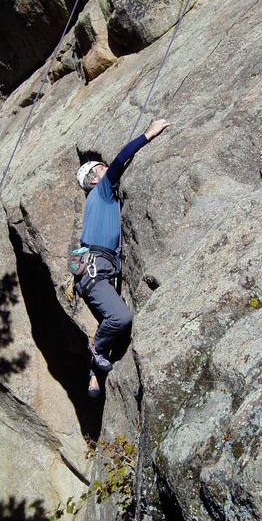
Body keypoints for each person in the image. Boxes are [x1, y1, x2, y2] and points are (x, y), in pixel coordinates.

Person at [75, 119, 170, 395]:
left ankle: (94, 377)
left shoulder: (98, 201)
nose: (107, 170)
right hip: (97, 273)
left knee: (111, 325)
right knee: (121, 318)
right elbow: (119, 161)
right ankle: (95, 349)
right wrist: (147, 135)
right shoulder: (101, 192)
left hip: (95, 273)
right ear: (94, 179)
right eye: (100, 169)